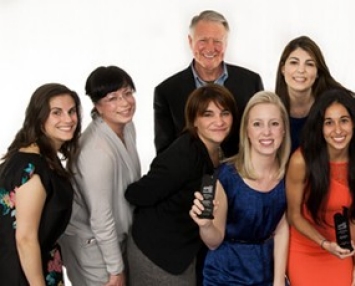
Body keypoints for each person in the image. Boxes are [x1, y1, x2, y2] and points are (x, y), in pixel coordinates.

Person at [125, 84, 236, 285]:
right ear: (194, 120)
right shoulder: (183, 154)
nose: (218, 121)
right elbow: (138, 194)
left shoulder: (217, 151)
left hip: (181, 253)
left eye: (224, 113)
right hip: (155, 253)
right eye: (208, 115)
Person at [190, 91, 291, 286]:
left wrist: (278, 282)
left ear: (284, 129)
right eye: (257, 124)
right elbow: (214, 241)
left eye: (274, 123)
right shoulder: (227, 177)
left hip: (266, 274)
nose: (267, 132)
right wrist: (205, 225)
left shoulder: (288, 175)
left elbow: (281, 230)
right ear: (246, 131)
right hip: (225, 277)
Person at [286, 89, 355, 286]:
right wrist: (324, 243)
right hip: (305, 247)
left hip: (341, 248)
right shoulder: (301, 160)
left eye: (344, 120)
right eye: (329, 122)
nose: (338, 130)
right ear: (320, 127)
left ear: (353, 122)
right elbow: (293, 216)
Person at [59, 66, 141, 286]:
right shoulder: (96, 151)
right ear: (97, 106)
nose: (125, 103)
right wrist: (115, 270)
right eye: (113, 98)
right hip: (92, 244)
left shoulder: (127, 126)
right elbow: (100, 218)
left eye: (127, 93)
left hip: (117, 238)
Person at [0, 83, 82, 285]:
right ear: (39, 118)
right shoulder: (33, 168)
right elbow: (25, 239)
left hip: (32, 267)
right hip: (24, 274)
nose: (68, 119)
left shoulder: (34, 158)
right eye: (57, 112)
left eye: (72, 111)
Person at [154, 10, 263, 157]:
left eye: (217, 41)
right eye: (203, 41)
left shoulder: (251, 82)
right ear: (190, 42)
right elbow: (164, 154)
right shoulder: (167, 92)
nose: (210, 48)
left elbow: (260, 135)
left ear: (226, 44)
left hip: (241, 174)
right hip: (191, 178)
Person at [275, 35, 349, 152]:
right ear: (283, 69)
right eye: (294, 62)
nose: (301, 70)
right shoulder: (272, 111)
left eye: (309, 64)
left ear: (317, 72)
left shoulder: (332, 108)